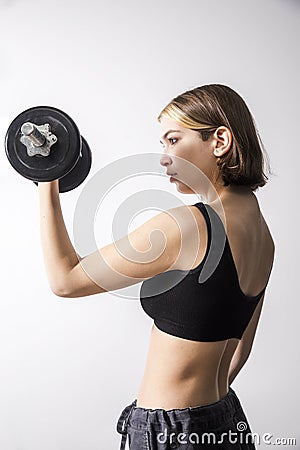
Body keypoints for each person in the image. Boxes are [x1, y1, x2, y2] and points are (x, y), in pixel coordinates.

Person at [38, 84, 275, 449]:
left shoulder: (187, 226)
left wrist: (46, 177)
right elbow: (240, 351)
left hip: (169, 429)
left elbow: (65, 279)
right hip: (226, 419)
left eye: (173, 139)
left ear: (220, 140)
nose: (164, 157)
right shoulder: (263, 234)